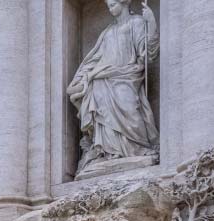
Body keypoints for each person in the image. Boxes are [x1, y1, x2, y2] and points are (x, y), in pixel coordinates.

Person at [67, 0, 159, 170]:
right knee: (102, 112)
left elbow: (147, 53)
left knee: (130, 108)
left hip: (127, 75)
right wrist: (83, 78)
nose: (110, 9)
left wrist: (151, 23)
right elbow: (95, 58)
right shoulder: (108, 31)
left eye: (113, 4)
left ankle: (139, 149)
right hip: (102, 78)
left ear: (124, 3)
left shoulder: (137, 22)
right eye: (108, 6)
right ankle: (109, 152)